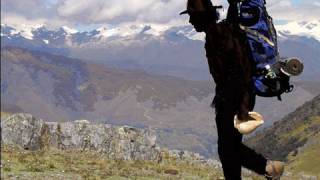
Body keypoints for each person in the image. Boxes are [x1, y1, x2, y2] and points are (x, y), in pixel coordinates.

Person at [180, 0, 285, 179]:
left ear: (202, 17)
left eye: (192, 17)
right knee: (228, 148)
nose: (190, 22)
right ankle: (269, 168)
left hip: (234, 98)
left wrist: (241, 106)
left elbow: (240, 69)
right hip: (233, 96)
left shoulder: (219, 35)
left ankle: (269, 167)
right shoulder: (223, 30)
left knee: (227, 148)